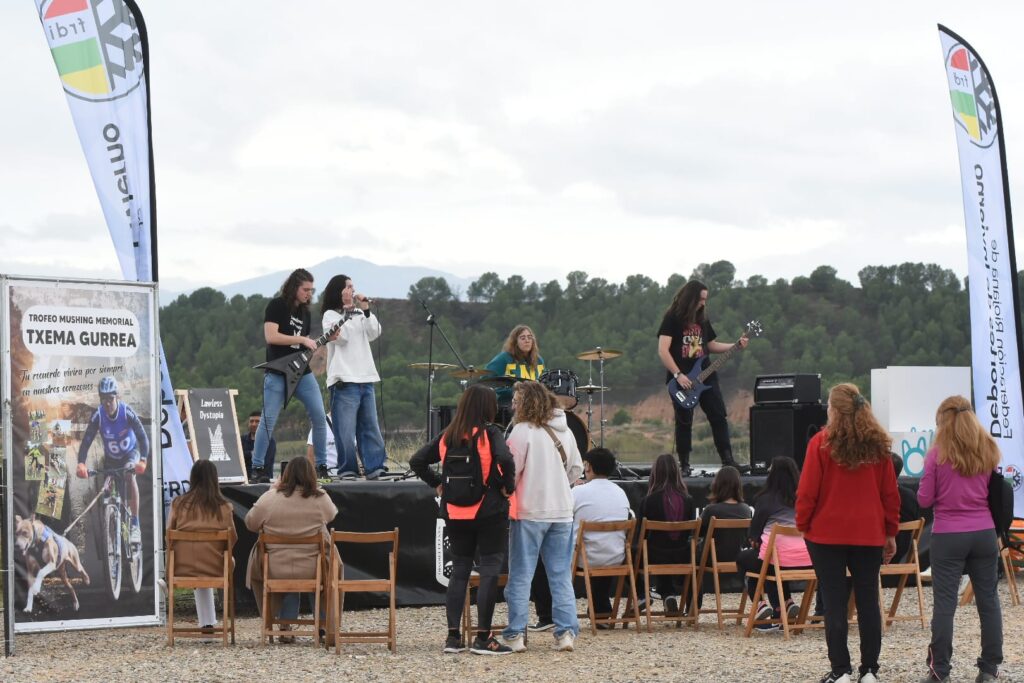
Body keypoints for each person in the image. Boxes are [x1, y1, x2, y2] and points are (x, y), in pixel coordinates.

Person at [796, 383, 899, 683]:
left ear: (835, 410)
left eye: (828, 406)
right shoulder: (878, 446)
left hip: (826, 534)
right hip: (869, 533)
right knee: (868, 602)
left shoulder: (820, 443)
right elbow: (890, 495)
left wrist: (803, 524)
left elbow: (807, 492)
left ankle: (840, 670)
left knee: (834, 602)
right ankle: (869, 670)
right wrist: (890, 532)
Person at [409, 385, 516, 655]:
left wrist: (438, 483)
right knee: (490, 569)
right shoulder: (491, 432)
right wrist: (508, 486)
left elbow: (417, 460)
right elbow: (505, 458)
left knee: (459, 571)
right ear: (487, 407)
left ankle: (453, 637)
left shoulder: (449, 434)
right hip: (488, 510)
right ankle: (483, 638)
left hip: (455, 512)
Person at [916, 396, 1003, 683]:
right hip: (984, 532)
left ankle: (939, 670)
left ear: (942, 421)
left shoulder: (937, 455)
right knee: (988, 601)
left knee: (945, 604)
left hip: (948, 534)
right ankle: (989, 669)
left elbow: (924, 499)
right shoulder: (988, 448)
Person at [501, 380, 583, 653]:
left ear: (526, 403)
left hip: (529, 510)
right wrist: (557, 484)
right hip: (562, 511)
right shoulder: (565, 430)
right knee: (559, 575)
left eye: (516, 401)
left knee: (521, 575)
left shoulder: (521, 431)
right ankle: (566, 633)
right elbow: (576, 469)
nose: (513, 406)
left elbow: (511, 471)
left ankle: (516, 634)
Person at [657, 280, 748, 475]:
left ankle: (728, 461)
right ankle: (684, 465)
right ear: (691, 298)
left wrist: (735, 345)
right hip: (681, 379)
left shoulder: (702, 319)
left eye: (705, 299)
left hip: (706, 375)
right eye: (701, 299)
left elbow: (711, 345)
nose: (703, 303)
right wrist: (678, 375)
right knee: (684, 421)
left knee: (718, 415)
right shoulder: (672, 318)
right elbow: (663, 350)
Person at [251, 269, 331, 484]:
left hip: (302, 372)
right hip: (277, 371)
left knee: (319, 416)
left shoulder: (305, 313)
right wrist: (302, 340)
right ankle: (257, 467)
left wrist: (319, 342)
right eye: (305, 289)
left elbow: (303, 346)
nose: (309, 294)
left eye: (312, 290)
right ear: (294, 287)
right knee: (268, 420)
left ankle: (322, 466)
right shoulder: (277, 306)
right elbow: (271, 336)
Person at [245, 457, 337, 641]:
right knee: (326, 565)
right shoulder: (320, 498)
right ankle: (324, 625)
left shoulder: (270, 498)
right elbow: (332, 515)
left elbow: (250, 523)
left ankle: (285, 625)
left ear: (285, 475)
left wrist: (272, 490)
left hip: (275, 568)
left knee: (288, 572)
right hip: (313, 568)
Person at [321, 274, 388, 480]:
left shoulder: (359, 313)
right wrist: (348, 310)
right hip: (344, 379)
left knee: (370, 427)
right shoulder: (330, 315)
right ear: (339, 291)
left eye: (353, 286)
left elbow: (375, 332)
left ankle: (375, 467)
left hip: (365, 377)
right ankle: (347, 469)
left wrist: (365, 310)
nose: (353, 290)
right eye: (348, 287)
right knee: (345, 430)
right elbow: (342, 338)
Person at [736, 456, 812, 630]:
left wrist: (756, 541)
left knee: (747, 559)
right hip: (808, 560)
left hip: (777, 560)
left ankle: (760, 604)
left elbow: (754, 536)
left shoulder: (766, 499)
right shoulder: (805, 498)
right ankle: (784, 604)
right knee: (771, 561)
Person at [75, 376, 149, 545]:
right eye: (103, 399)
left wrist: (143, 460)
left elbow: (142, 437)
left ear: (117, 397)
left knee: (129, 475)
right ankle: (112, 523)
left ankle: (135, 525)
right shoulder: (98, 415)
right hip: (111, 458)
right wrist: (81, 463)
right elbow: (87, 440)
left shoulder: (126, 412)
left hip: (130, 454)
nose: (107, 403)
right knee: (107, 488)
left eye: (110, 398)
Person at [168, 460, 235, 631]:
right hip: (215, 567)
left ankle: (207, 623)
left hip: (182, 568)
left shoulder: (178, 504)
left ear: (193, 478)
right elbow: (232, 539)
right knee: (226, 560)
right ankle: (209, 623)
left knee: (195, 559)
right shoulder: (224, 507)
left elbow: (169, 536)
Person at [572, 447, 632, 624]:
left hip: (585, 558)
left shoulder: (578, 492)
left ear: (588, 467)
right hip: (616, 556)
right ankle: (601, 612)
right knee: (602, 546)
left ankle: (550, 615)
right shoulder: (620, 492)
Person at [639, 453, 697, 614]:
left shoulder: (648, 500)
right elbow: (690, 532)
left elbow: (640, 535)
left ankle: (661, 595)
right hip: (682, 555)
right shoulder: (688, 500)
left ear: (655, 473)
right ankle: (673, 597)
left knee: (649, 547)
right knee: (670, 547)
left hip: (654, 556)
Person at [697, 465, 753, 604]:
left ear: (717, 485)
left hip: (712, 558)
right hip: (738, 556)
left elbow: (697, 532)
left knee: (692, 554)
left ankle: (694, 606)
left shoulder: (711, 510)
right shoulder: (746, 510)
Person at [485, 325, 545, 407]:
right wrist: (511, 391)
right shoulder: (504, 358)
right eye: (523, 338)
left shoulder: (539, 361)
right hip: (509, 405)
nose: (527, 340)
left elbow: (544, 382)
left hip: (534, 406)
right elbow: (486, 381)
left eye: (529, 337)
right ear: (515, 342)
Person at [241, 411, 275, 482]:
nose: (254, 424)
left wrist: (246, 456)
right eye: (251, 421)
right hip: (244, 481)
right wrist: (251, 453)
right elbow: (238, 459)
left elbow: (264, 462)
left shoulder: (269, 441)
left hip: (263, 483)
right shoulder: (242, 440)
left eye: (257, 421)